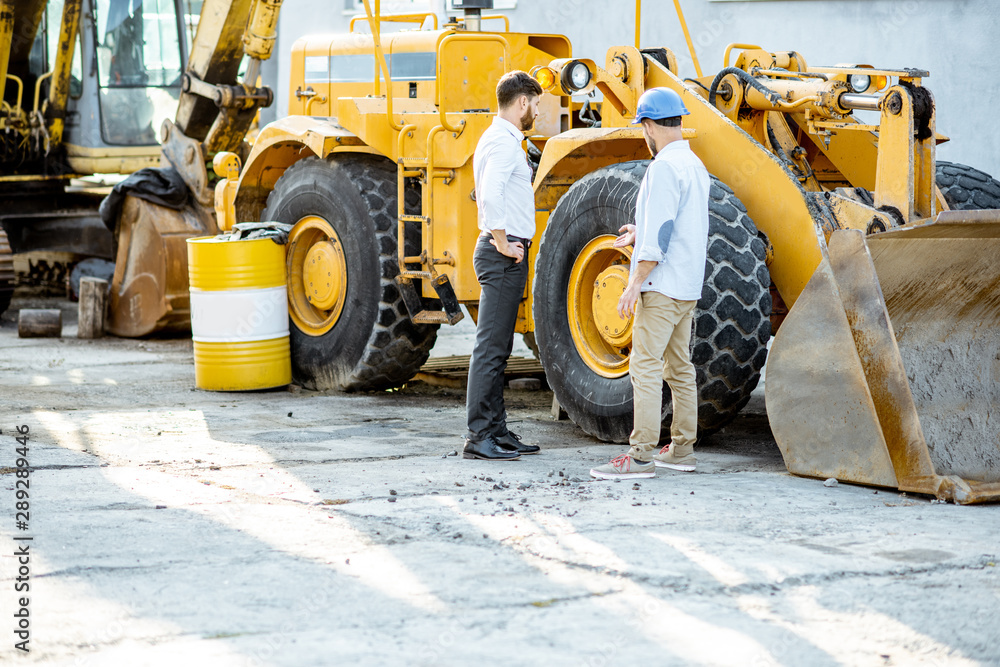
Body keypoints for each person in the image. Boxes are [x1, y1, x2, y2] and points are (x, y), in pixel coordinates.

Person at [590, 87, 710, 480]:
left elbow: (659, 240)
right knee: (680, 368)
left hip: (661, 287)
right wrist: (639, 232)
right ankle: (681, 450)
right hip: (687, 286)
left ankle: (640, 457)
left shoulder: (662, 169)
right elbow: (676, 224)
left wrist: (631, 284)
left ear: (648, 126)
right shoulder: (694, 164)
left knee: (644, 368)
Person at [463, 71, 544, 461]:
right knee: (490, 349)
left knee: (500, 346)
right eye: (536, 104)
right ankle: (478, 435)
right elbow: (489, 195)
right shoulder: (503, 143)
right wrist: (500, 241)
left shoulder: (502, 140)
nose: (537, 112)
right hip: (501, 253)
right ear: (522, 102)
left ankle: (496, 430)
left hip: (505, 250)